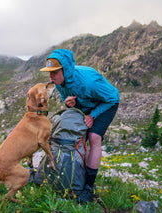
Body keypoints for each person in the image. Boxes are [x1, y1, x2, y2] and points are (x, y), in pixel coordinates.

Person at [40, 49, 119, 203]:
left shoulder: (89, 82)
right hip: (86, 106)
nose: (51, 76)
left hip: (106, 105)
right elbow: (66, 99)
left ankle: (89, 187)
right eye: (49, 72)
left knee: (94, 137)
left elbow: (113, 97)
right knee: (76, 137)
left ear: (65, 70)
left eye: (54, 72)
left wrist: (93, 115)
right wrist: (67, 102)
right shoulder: (59, 82)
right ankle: (78, 177)